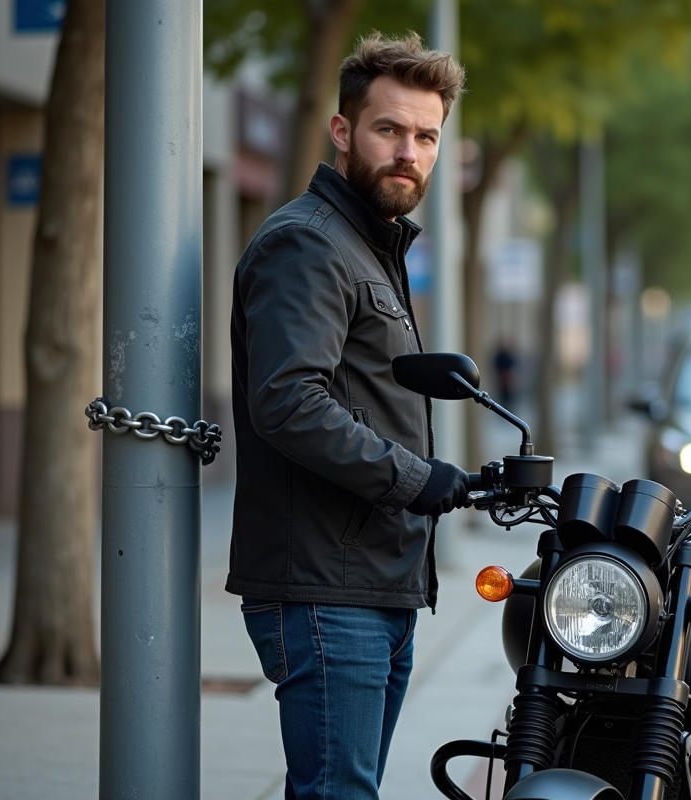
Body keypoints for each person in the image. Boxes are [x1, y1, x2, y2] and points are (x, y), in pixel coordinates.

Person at [226, 32, 468, 800]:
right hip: (326, 585)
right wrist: (414, 478)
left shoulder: (370, 249)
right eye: (388, 130)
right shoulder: (310, 245)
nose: (409, 152)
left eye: (426, 136)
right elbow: (289, 402)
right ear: (342, 131)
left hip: (374, 580)